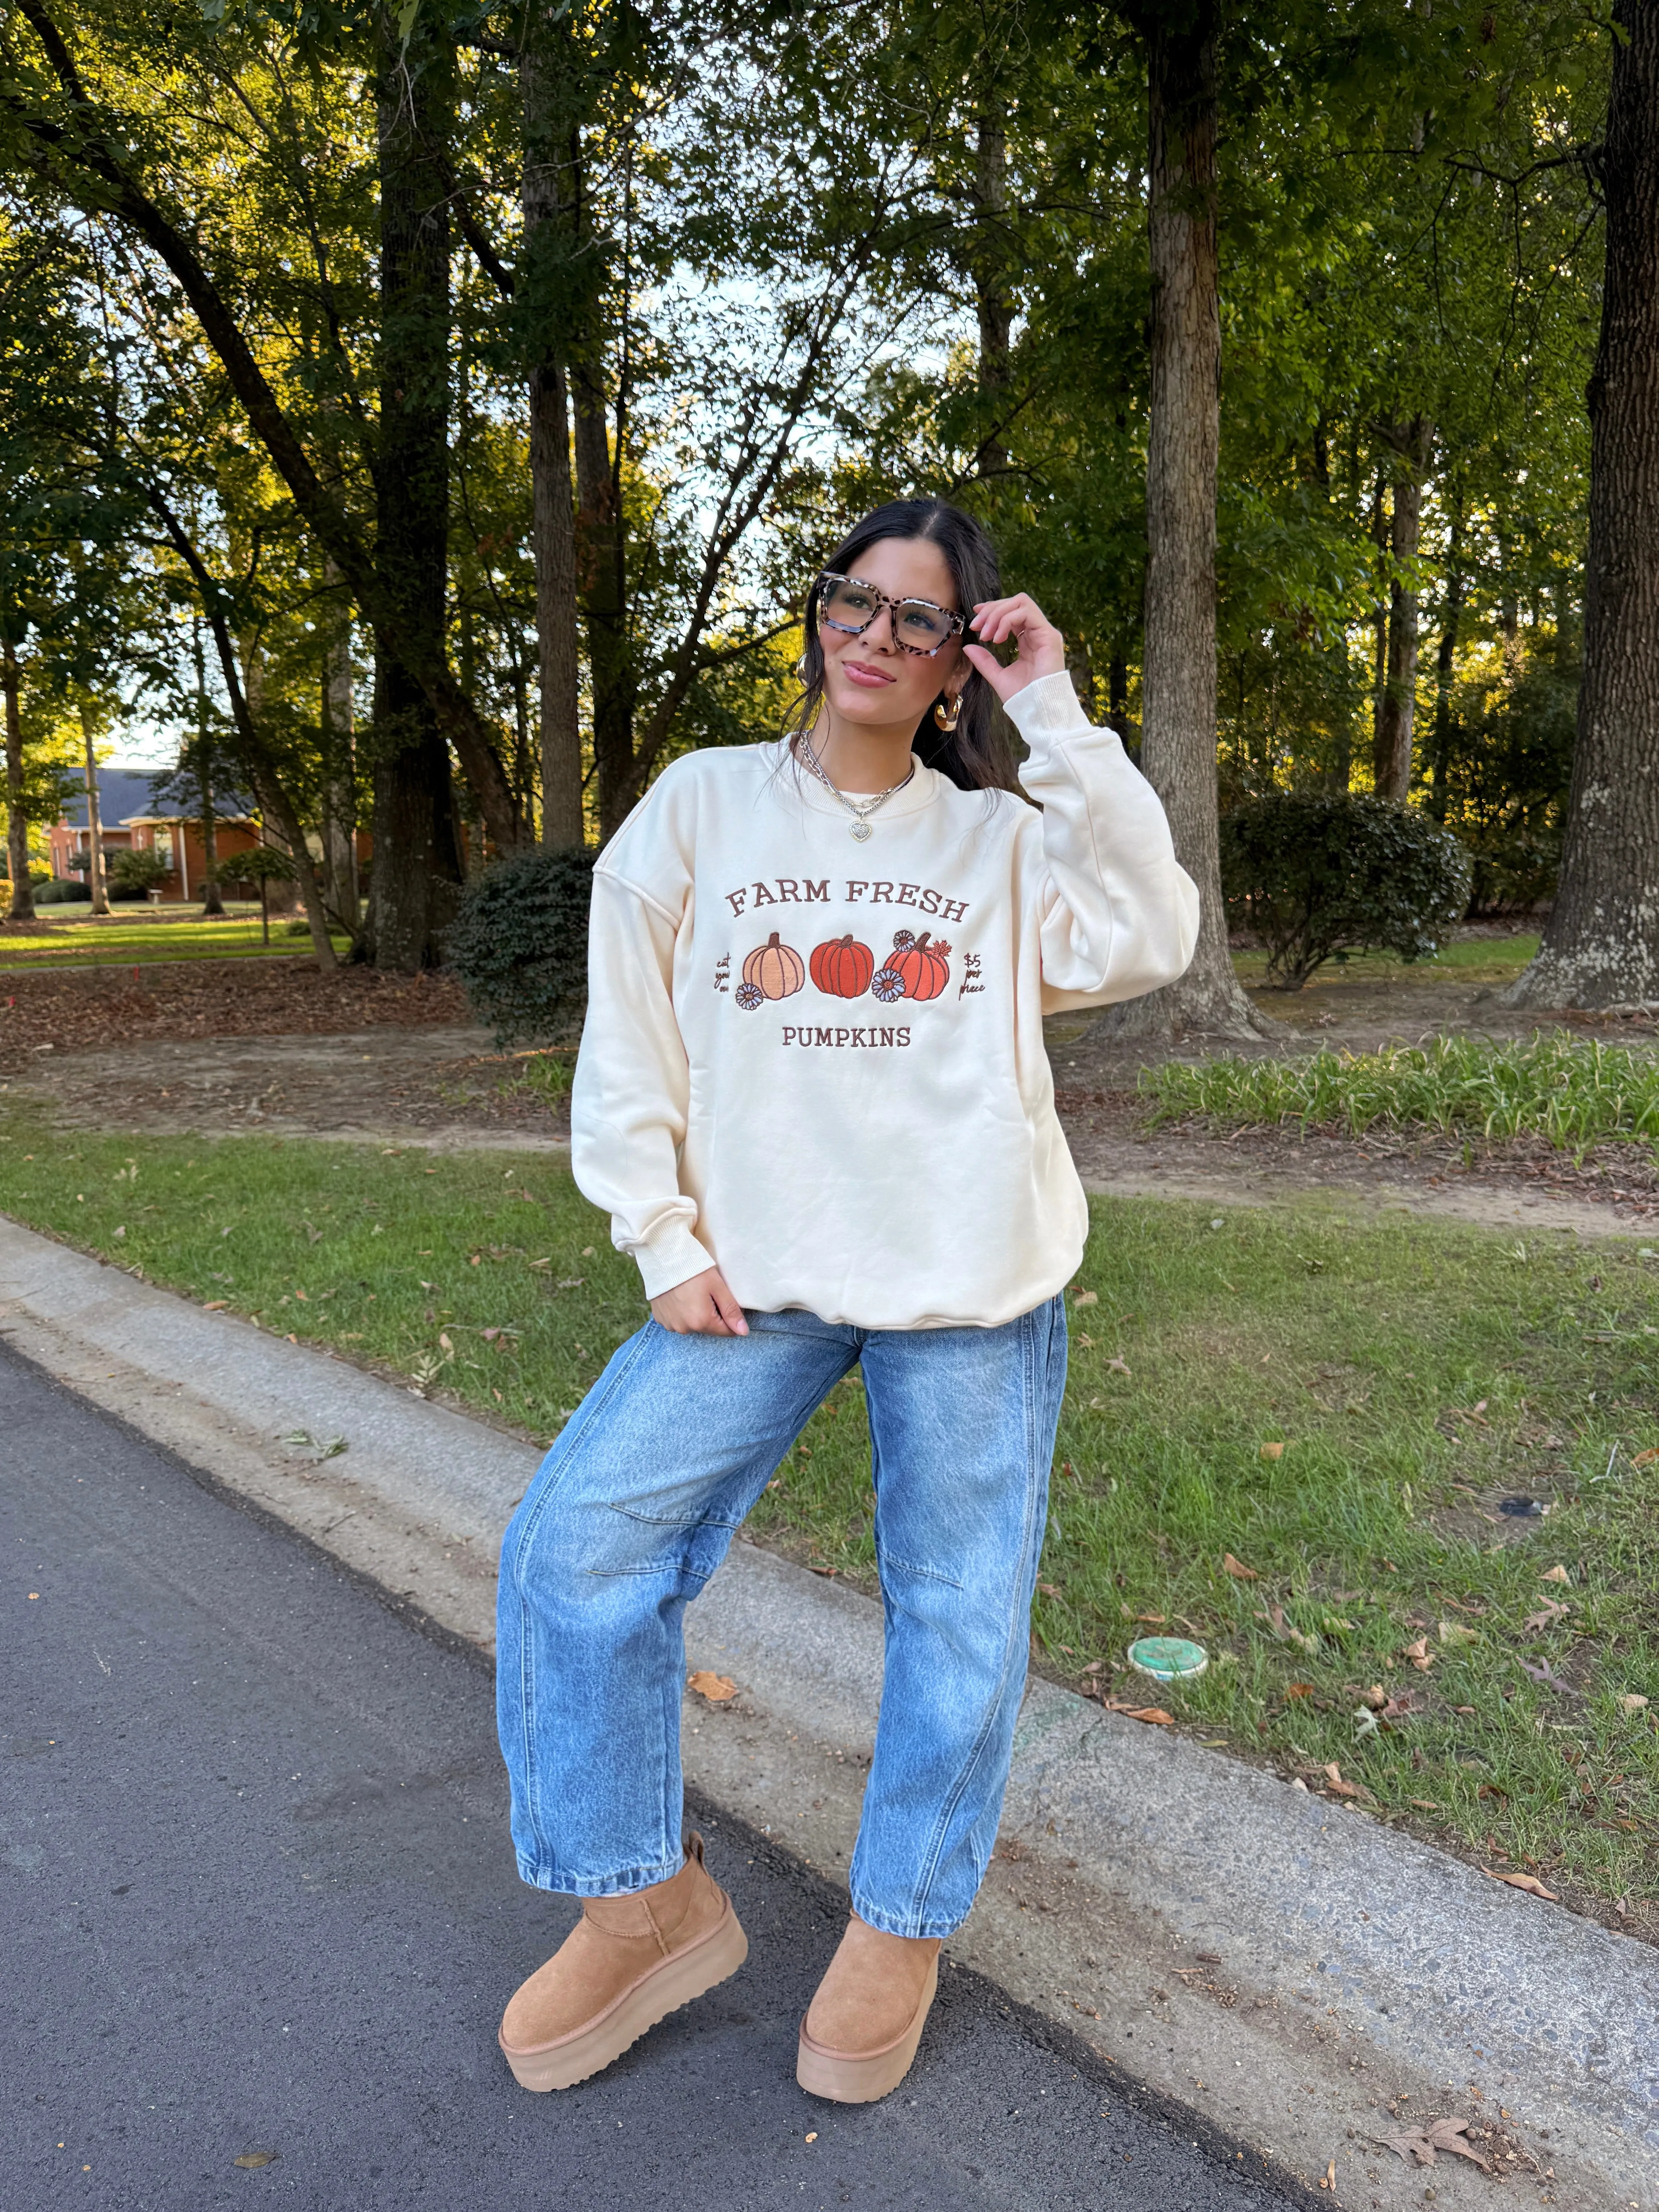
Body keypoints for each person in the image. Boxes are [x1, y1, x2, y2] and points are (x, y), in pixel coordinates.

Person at [494, 496, 1198, 2105]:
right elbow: (627, 1044)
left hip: (968, 1281)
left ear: (960, 662)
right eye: (854, 603)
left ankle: (900, 1919)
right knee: (576, 1543)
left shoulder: (996, 841)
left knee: (956, 1612)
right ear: (817, 617)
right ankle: (640, 1895)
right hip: (760, 1278)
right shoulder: (700, 808)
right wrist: (659, 1233)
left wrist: (1059, 710)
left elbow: (1157, 930)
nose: (877, 636)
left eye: (922, 620)